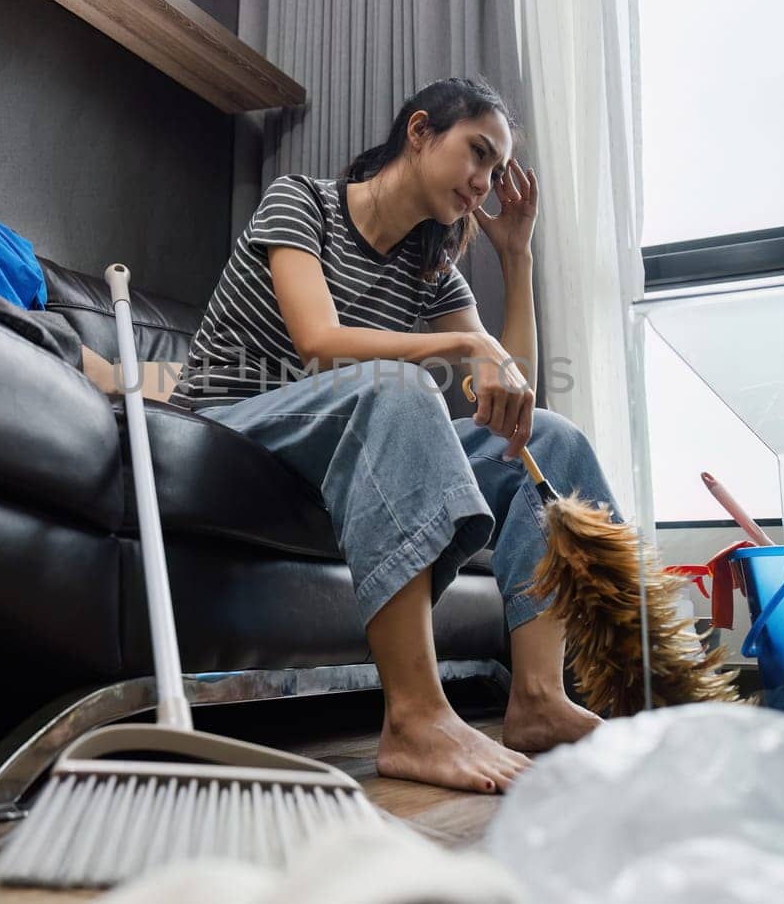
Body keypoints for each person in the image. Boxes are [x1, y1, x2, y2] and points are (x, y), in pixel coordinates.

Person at [93, 78, 619, 794]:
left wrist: (516, 260)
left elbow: (513, 401)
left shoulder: (431, 267)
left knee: (554, 440)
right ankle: (415, 718)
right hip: (227, 432)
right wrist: (461, 353)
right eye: (478, 153)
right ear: (421, 132)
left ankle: (537, 698)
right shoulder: (301, 202)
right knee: (393, 384)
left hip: (336, 446)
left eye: (497, 171)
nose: (485, 183)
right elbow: (320, 341)